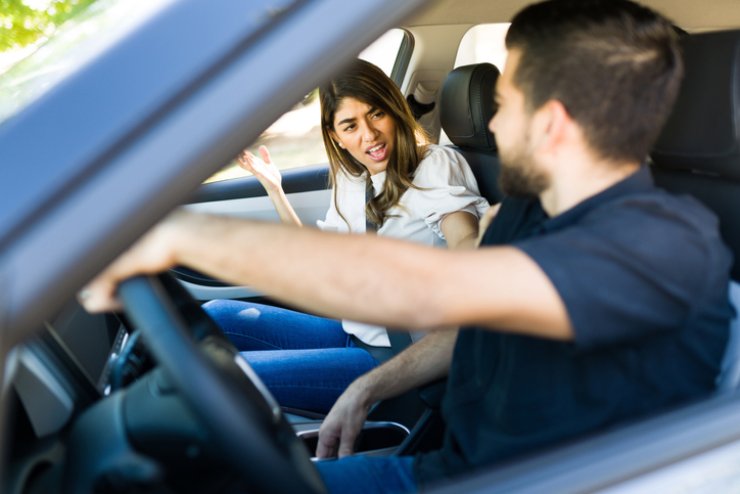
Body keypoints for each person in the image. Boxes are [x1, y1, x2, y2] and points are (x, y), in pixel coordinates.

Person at [80, 0, 734, 492]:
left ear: (553, 124)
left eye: (503, 101)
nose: (490, 121)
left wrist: (176, 232)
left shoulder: (663, 247)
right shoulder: (531, 211)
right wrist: (368, 385)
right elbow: (472, 322)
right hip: (449, 461)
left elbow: (434, 291)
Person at [202, 59, 489, 413]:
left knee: (223, 380)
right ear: (335, 136)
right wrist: (276, 190)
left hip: (394, 358)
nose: (369, 135)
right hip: (353, 331)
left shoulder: (436, 165)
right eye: (350, 125)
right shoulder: (354, 181)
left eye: (376, 114)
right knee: (215, 315)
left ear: (395, 110)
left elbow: (463, 238)